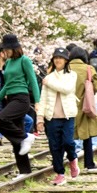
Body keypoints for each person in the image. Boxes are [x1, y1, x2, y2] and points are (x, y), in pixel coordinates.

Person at [0, 33, 40, 178]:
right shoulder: (8, 63)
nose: (5, 52)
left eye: (7, 49)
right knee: (17, 141)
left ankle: (26, 137)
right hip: (10, 99)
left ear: (14, 48)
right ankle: (24, 171)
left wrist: (37, 101)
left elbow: (33, 81)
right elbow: (7, 85)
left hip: (22, 99)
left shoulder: (25, 61)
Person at [37, 48, 79, 184]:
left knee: (68, 142)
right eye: (56, 58)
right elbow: (42, 99)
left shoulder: (72, 75)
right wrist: (40, 118)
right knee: (55, 147)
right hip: (52, 117)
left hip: (68, 116)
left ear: (66, 61)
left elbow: (67, 89)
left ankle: (73, 159)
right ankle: (60, 173)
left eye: (61, 58)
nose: (58, 60)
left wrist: (49, 83)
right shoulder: (48, 78)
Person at [68, 43, 97, 171]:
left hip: (67, 105)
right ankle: (89, 164)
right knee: (87, 136)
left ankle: (67, 161)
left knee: (67, 135)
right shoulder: (89, 69)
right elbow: (96, 87)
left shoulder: (65, 68)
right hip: (84, 106)